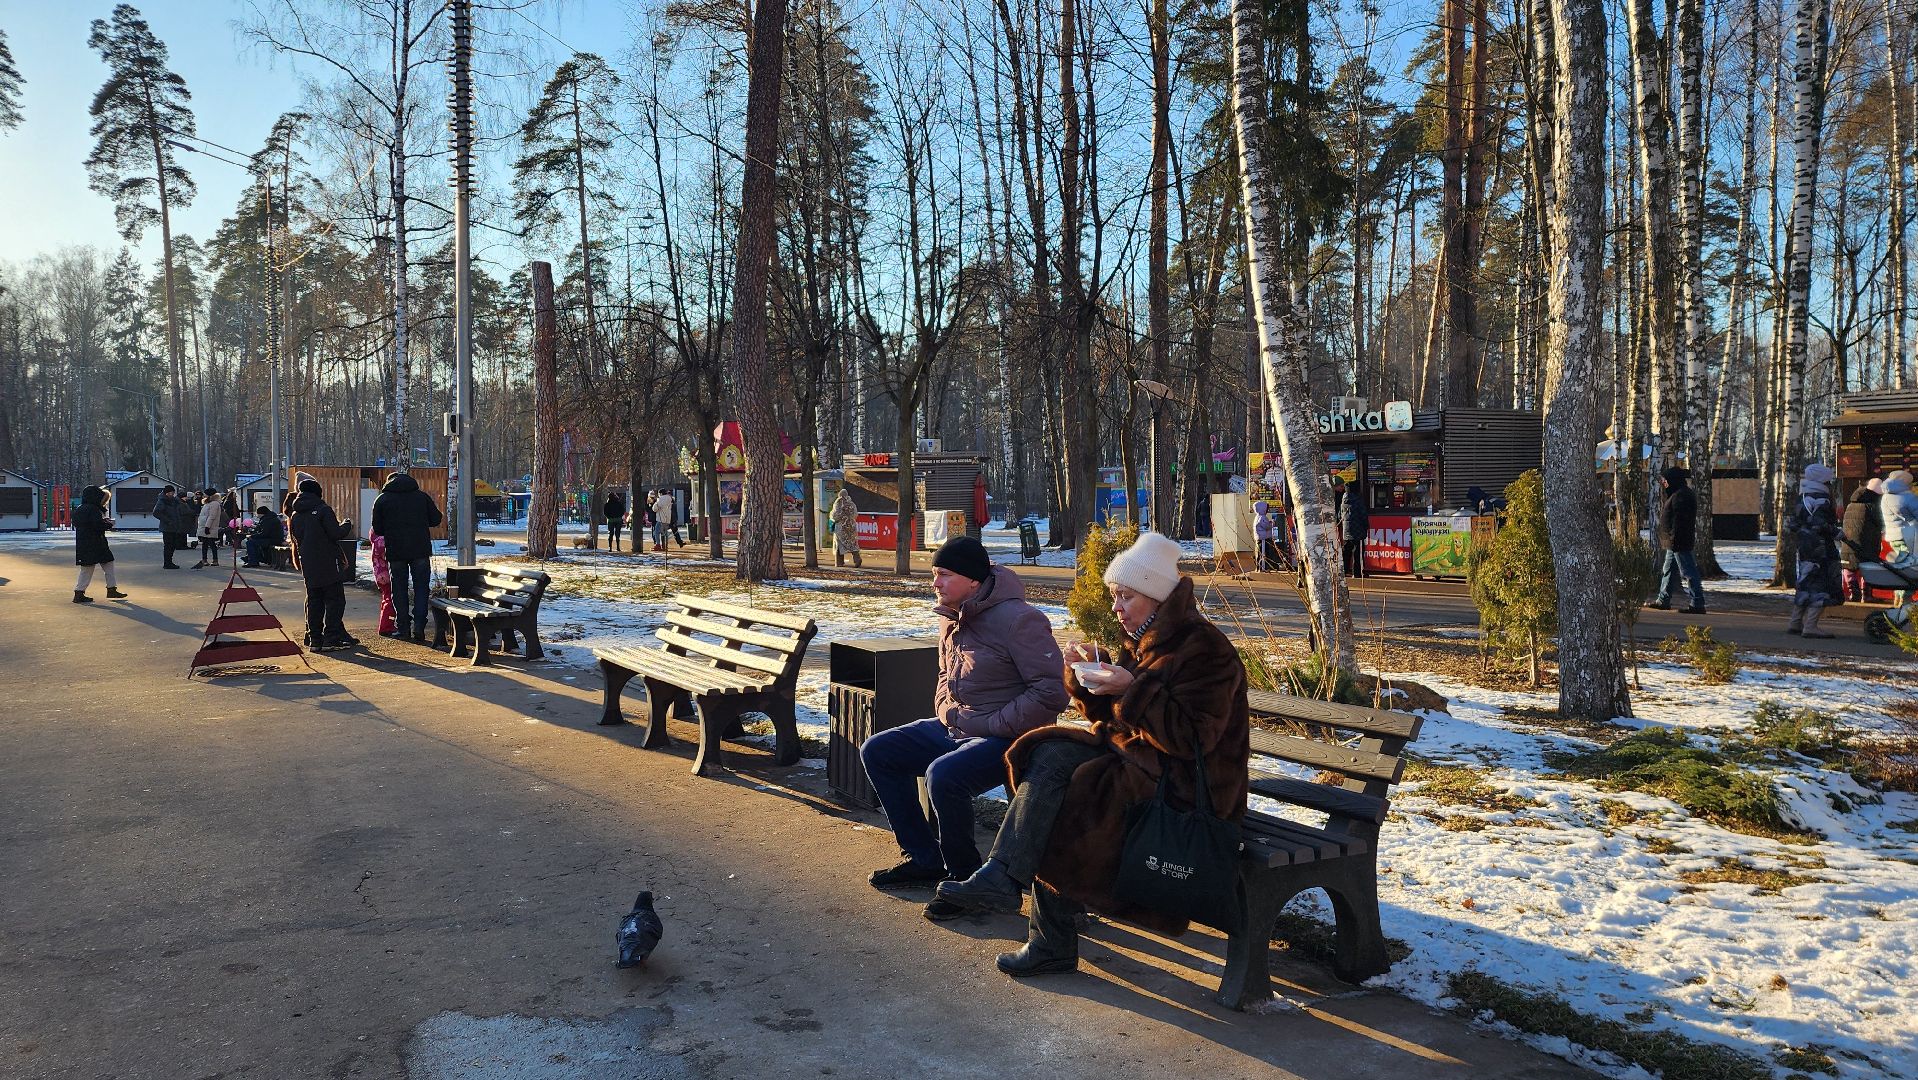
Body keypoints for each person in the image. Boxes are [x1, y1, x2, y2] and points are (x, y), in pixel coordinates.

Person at [935, 531, 1250, 977]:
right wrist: (1088, 681)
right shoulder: (1147, 637)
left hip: (1191, 787)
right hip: (1141, 766)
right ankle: (1006, 879)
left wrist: (1131, 688)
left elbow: (1192, 740)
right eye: (1114, 596)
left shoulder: (1204, 649)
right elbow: (1122, 719)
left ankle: (1043, 931)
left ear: (1156, 597)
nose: (1116, 607)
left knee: (1068, 797)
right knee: (1045, 753)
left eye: (1125, 596)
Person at [861, 535, 1068, 920]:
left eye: (944, 575)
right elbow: (944, 672)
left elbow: (1052, 692)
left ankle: (967, 878)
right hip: (957, 725)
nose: (935, 583)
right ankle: (924, 858)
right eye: (934, 574)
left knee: (945, 775)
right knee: (878, 750)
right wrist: (945, 709)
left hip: (1010, 736)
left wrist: (990, 724)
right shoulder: (951, 613)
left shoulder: (1020, 619)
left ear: (973, 580)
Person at [370, 471, 443, 645]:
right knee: (421, 587)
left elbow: (378, 529)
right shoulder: (421, 497)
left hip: (396, 551)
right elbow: (436, 519)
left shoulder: (382, 499)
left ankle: (403, 627)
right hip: (420, 549)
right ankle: (419, 625)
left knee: (399, 589)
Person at [289, 477, 357, 650]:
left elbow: (297, 540)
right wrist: (347, 525)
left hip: (308, 564)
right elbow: (335, 533)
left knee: (314, 602)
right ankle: (331, 638)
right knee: (335, 601)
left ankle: (315, 640)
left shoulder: (295, 515)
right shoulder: (323, 510)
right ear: (317, 492)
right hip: (328, 562)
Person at [1788, 464, 1844, 639]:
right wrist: (1837, 533)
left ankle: (1795, 622)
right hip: (1820, 546)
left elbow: (1794, 524)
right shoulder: (1822, 498)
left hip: (1804, 545)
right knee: (1821, 582)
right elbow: (1819, 523)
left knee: (1805, 579)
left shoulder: (1802, 496)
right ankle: (1811, 625)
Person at [1651, 466, 1705, 614]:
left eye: (1665, 480)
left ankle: (1698, 602)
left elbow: (1680, 522)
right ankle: (1663, 599)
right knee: (1668, 570)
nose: (1664, 483)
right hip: (1673, 541)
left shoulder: (1682, 496)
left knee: (1688, 571)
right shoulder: (1677, 494)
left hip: (1679, 542)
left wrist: (1674, 540)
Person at [72, 485, 128, 603]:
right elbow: (96, 526)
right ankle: (110, 589)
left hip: (84, 542)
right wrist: (108, 524)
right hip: (96, 542)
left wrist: (101, 522)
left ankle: (80, 592)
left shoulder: (80, 508)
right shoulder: (93, 509)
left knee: (88, 568)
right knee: (107, 564)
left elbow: (85, 524)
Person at [1840, 478, 1884, 602]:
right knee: (1867, 567)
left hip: (1849, 543)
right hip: (1867, 543)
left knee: (1849, 567)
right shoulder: (1872, 506)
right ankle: (1867, 594)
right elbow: (1880, 523)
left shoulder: (1850, 504)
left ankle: (1853, 593)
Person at [1337, 478, 1369, 578]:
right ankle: (1358, 572)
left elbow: (1339, 516)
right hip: (1358, 531)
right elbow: (1363, 515)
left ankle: (1345, 570)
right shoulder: (1358, 499)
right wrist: (1366, 526)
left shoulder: (1343, 500)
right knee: (1357, 553)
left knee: (1346, 551)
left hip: (1346, 531)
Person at [154, 485, 191, 569]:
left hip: (174, 526)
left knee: (172, 545)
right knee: (168, 545)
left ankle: (169, 562)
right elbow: (156, 512)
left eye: (173, 492)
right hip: (167, 527)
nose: (173, 494)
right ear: (167, 492)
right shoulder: (162, 501)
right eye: (171, 492)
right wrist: (168, 521)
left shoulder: (173, 500)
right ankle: (167, 563)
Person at [193, 487, 226, 568]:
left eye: (206, 494)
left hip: (209, 526)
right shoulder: (208, 503)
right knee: (205, 544)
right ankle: (205, 559)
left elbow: (212, 516)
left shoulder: (214, 503)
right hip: (205, 525)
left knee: (211, 544)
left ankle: (214, 560)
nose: (204, 495)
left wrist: (207, 527)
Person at [831, 486, 862, 568]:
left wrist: (833, 517)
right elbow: (855, 514)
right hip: (851, 526)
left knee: (839, 544)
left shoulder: (838, 502)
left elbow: (835, 515)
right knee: (852, 543)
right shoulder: (852, 503)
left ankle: (839, 563)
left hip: (841, 527)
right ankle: (857, 558)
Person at [651, 488, 675, 553]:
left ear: (660, 493)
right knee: (664, 533)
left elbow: (654, 508)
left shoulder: (660, 499)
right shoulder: (670, 499)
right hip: (667, 519)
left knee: (656, 532)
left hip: (661, 518)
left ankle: (658, 545)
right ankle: (665, 546)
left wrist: (656, 503)